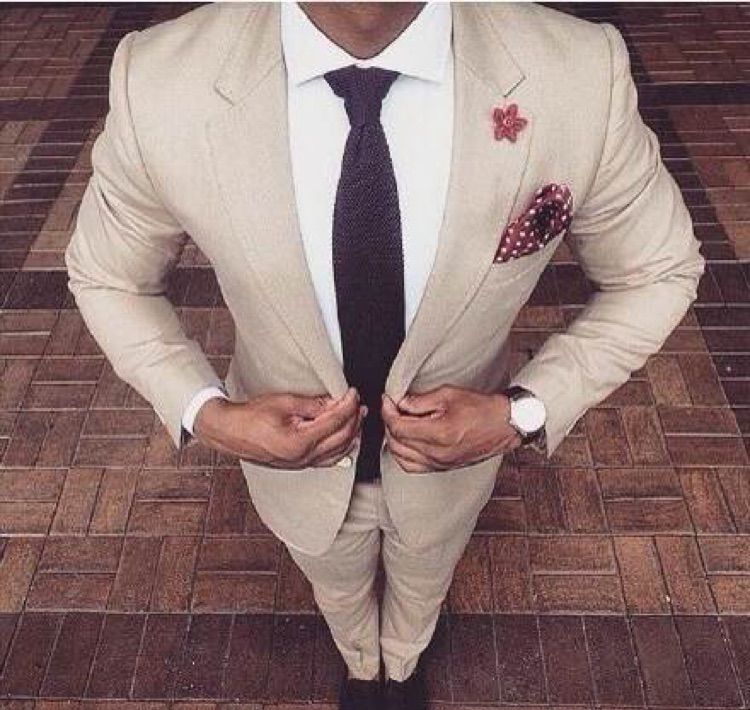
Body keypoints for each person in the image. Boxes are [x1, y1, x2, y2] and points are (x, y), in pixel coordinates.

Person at [64, 2, 706, 708]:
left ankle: (402, 661)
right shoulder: (159, 80)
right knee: (334, 582)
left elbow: (658, 270)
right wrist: (208, 414)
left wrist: (522, 412)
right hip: (291, 470)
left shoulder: (579, 73)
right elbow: (109, 276)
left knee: (425, 578)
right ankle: (359, 660)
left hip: (455, 468)